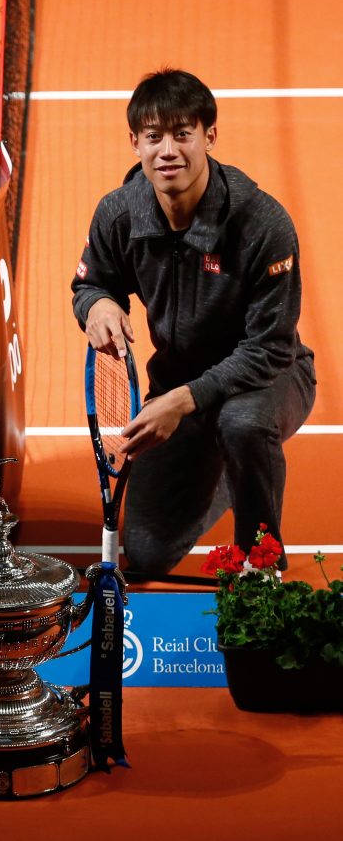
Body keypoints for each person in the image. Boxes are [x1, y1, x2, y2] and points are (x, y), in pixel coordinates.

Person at [71, 69, 316, 574]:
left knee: (242, 424)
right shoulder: (119, 214)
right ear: (135, 143)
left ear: (210, 136)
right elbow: (91, 284)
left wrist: (182, 401)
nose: (168, 151)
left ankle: (262, 566)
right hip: (179, 378)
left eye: (183, 134)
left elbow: (270, 348)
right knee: (148, 553)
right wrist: (98, 305)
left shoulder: (262, 224)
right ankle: (229, 467)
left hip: (268, 376)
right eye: (154, 137)